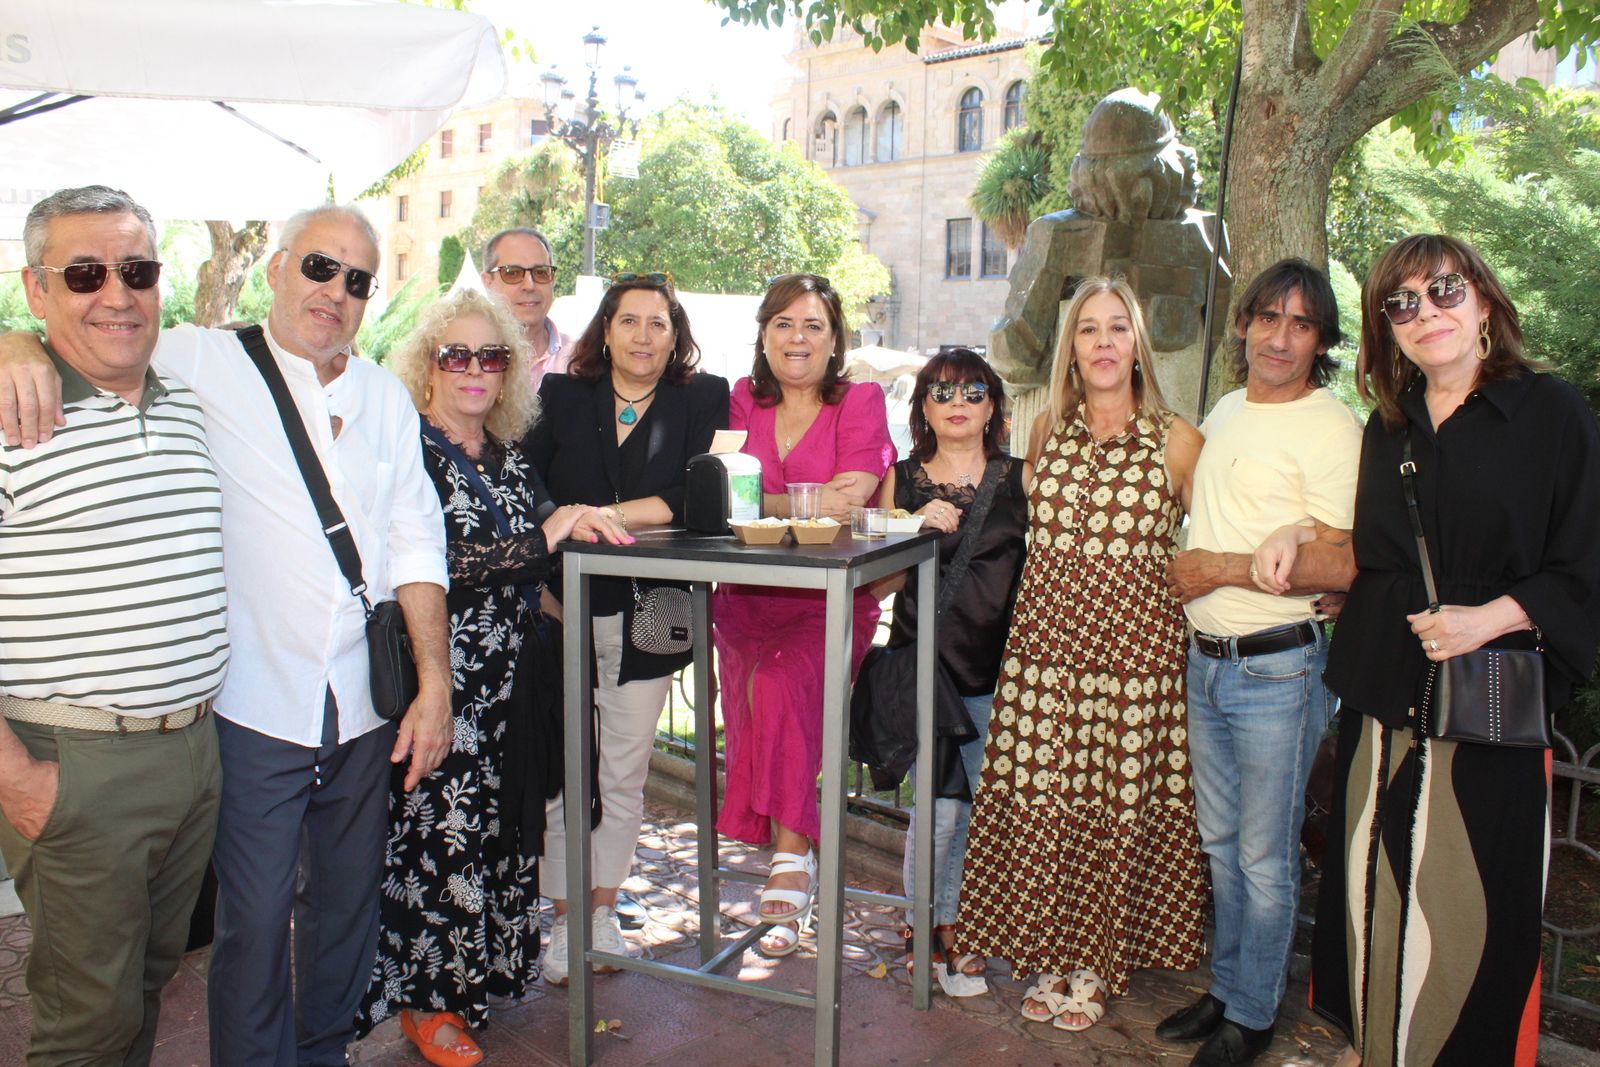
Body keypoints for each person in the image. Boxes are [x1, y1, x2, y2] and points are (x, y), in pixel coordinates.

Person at [0, 202, 453, 1067]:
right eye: (319, 267)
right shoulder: (195, 358)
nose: (335, 292)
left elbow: (415, 541)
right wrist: (12, 344)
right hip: (248, 707)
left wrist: (435, 683)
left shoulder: (386, 398)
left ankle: (321, 1052)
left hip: (362, 706)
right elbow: (81, 339)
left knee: (346, 909)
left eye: (358, 280)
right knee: (247, 921)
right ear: (276, 268)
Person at [1300, 236, 1600, 1067]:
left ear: (1484, 301)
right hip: (1379, 700)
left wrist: (1490, 616)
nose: (1425, 313)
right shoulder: (1388, 425)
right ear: (1384, 328)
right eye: (1401, 302)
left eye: (1442, 291)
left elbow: (1583, 564)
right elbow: (1379, 554)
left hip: (1487, 709)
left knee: (1467, 920)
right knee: (1371, 898)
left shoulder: (1550, 413)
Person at [356, 290, 626, 1063]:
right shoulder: (408, 449)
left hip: (511, 687)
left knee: (498, 840)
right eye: (456, 355)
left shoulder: (506, 458)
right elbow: (437, 566)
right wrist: (554, 525)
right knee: (435, 844)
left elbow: (542, 563)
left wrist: (588, 590)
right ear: (428, 366)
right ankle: (427, 1003)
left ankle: (479, 980)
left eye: (492, 355)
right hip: (442, 684)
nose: (475, 369)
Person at [0, 186, 227, 1066]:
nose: (116, 295)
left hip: (192, 757)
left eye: (135, 269)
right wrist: (16, 774)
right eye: (85, 273)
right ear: (36, 289)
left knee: (141, 987)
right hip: (76, 762)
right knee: (85, 1022)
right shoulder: (14, 411)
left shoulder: (183, 403)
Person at [956, 278, 1206, 1029]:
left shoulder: (1177, 438)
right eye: (1089, 329)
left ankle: (1096, 962)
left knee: (1112, 806)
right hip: (1044, 658)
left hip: (1134, 662)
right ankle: (1050, 952)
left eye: (1117, 328)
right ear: (1073, 349)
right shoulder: (1047, 435)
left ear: (1137, 346)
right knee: (1045, 803)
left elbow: (1217, 536)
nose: (1103, 342)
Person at [1161, 259, 1362, 1067]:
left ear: (1321, 340)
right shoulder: (1229, 406)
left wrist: (1217, 569)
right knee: (1219, 843)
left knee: (1265, 853)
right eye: (1268, 317)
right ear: (1244, 322)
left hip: (1276, 668)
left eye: (1301, 323)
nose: (1280, 337)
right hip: (1204, 660)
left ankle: (1252, 1013)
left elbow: (1344, 563)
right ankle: (1227, 988)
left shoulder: (1331, 425)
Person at [523, 271, 729, 985]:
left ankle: (602, 909)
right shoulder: (560, 395)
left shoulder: (703, 397)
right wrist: (569, 513)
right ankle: (560, 918)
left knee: (622, 769)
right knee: (563, 769)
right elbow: (532, 482)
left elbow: (700, 492)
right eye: (630, 320)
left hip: (656, 609)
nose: (644, 335)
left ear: (677, 336)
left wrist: (602, 515)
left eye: (659, 323)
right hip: (561, 607)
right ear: (605, 329)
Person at [713, 272, 896, 958]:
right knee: (752, 699)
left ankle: (793, 854)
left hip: (831, 594)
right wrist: (805, 502)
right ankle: (791, 851)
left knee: (783, 687)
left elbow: (852, 497)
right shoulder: (741, 398)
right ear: (764, 334)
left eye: (813, 324)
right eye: (784, 323)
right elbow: (733, 495)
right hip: (747, 594)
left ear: (834, 338)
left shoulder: (862, 399)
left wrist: (768, 500)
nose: (798, 337)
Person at [870, 348, 1030, 996]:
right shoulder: (902, 480)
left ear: (992, 404)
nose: (957, 400)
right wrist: (909, 526)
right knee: (935, 813)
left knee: (977, 816)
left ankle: (957, 925)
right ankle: (924, 928)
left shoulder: (1022, 477)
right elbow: (875, 582)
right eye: (942, 391)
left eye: (971, 389)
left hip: (1000, 674)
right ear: (925, 409)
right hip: (927, 670)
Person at [481, 228, 570, 390]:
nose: (529, 285)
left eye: (541, 272)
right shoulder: (467, 363)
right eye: (513, 273)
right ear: (488, 282)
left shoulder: (581, 360)